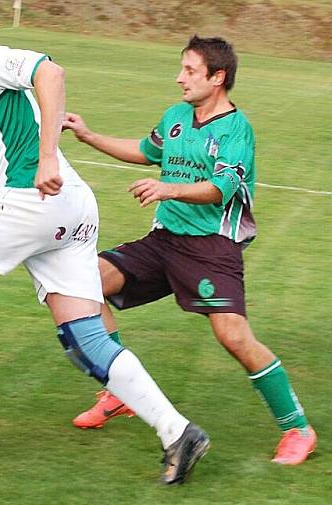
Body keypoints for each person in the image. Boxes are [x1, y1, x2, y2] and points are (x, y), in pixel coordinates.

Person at [0, 4, 209, 484]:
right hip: (69, 205)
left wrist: (48, 155)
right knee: (84, 340)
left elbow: (49, 71)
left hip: (32, 197)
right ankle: (179, 431)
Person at [62, 35, 316, 465]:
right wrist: (87, 135)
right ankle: (119, 392)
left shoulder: (237, 130)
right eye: (181, 69)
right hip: (164, 240)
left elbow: (221, 189)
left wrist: (168, 188)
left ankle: (297, 428)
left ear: (217, 78)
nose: (180, 79)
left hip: (212, 248)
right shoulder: (177, 115)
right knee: (86, 284)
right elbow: (146, 152)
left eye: (190, 71)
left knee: (232, 335)